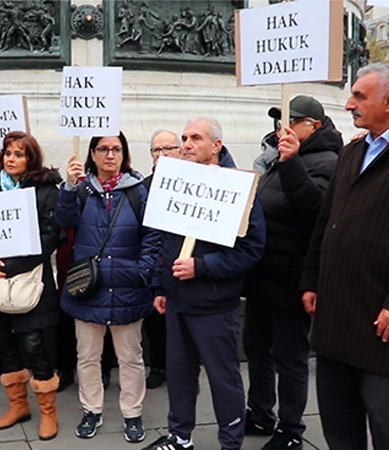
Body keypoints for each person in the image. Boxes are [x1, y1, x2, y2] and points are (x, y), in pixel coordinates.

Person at [299, 63, 389, 450]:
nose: (348, 104)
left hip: (383, 326)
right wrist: (311, 278)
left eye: (359, 96)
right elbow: (327, 222)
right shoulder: (351, 151)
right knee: (339, 426)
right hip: (335, 320)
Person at [143, 117, 265, 450]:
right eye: (184, 137)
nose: (186, 144)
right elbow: (163, 240)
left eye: (195, 137)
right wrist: (160, 286)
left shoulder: (238, 189)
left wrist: (202, 266)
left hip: (213, 305)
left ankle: (230, 443)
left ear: (217, 145)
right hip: (176, 300)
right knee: (180, 376)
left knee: (223, 379)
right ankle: (180, 437)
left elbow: (251, 249)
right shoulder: (177, 182)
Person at [242, 96, 340, 450]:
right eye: (279, 121)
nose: (282, 128)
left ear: (312, 126)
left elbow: (312, 208)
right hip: (263, 273)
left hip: (292, 277)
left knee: (290, 356)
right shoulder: (277, 158)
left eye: (291, 121)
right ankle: (261, 411)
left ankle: (290, 428)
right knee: (256, 347)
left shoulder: (326, 161)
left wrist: (292, 161)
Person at [55, 132, 161, 444]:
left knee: (130, 356)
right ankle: (92, 410)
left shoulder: (138, 190)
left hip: (128, 287)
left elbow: (152, 235)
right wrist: (69, 187)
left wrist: (142, 271)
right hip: (89, 288)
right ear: (92, 153)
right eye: (103, 149)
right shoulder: (83, 189)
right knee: (87, 356)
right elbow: (64, 220)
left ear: (124, 153)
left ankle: (132, 412)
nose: (110, 154)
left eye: (116, 148)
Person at [0, 131, 62, 440]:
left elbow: (50, 237)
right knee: (3, 344)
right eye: (8, 153)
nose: (11, 159)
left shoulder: (47, 189)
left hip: (29, 279)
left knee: (34, 344)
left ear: (31, 159)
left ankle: (48, 412)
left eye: (19, 154)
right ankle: (18, 405)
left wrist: (11, 267)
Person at [142, 129, 181, 390]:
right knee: (155, 321)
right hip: (152, 264)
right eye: (157, 150)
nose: (163, 154)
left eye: (169, 148)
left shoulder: (192, 184)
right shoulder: (143, 187)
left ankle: (180, 366)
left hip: (182, 265)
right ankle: (158, 365)